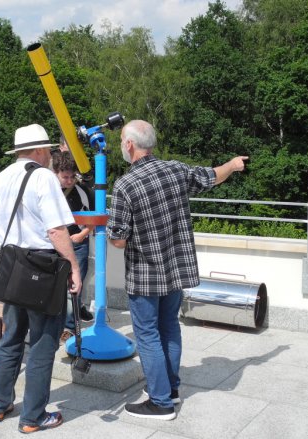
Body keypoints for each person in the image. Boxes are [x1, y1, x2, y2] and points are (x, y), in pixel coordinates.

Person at [107, 120, 248, 420]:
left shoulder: (125, 185)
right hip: (176, 271)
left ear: (129, 145)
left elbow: (118, 241)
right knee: (169, 327)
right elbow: (213, 177)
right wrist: (233, 165)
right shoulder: (176, 170)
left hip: (145, 274)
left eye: (121, 140)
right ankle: (170, 389)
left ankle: (160, 402)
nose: (121, 144)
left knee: (147, 335)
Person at [0, 123, 82, 434]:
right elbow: (56, 231)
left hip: (11, 266)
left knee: (11, 337)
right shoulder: (43, 177)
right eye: (50, 150)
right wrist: (74, 267)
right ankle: (33, 417)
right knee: (42, 343)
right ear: (40, 150)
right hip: (41, 268)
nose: (52, 155)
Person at [51, 150, 94, 345]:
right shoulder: (48, 190)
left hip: (78, 245)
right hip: (52, 246)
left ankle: (69, 328)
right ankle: (53, 325)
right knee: (53, 288)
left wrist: (82, 235)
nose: (69, 180)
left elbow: (95, 218)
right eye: (65, 177)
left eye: (71, 176)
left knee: (73, 289)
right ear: (55, 173)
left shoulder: (84, 191)